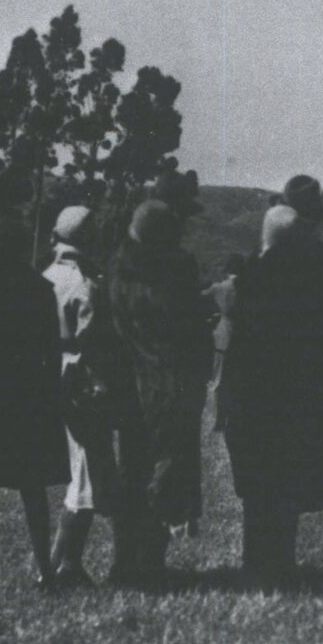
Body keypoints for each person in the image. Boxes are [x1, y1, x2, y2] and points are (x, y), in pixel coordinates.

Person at [221, 176, 323, 586]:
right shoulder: (316, 270)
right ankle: (279, 561)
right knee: (288, 480)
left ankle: (258, 562)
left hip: (253, 392)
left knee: (259, 483)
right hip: (299, 391)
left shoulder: (251, 276)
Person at [109, 190, 214, 585]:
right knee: (166, 473)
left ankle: (124, 562)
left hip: (128, 383)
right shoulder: (177, 270)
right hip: (169, 384)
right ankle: (151, 562)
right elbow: (188, 326)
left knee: (130, 471)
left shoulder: (119, 269)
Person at [0, 220, 69, 592]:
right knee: (32, 486)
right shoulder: (40, 290)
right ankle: (44, 569)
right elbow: (51, 348)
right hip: (30, 391)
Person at [43, 207, 122, 588]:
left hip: (47, 374)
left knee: (79, 469)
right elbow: (92, 340)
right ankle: (65, 564)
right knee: (86, 472)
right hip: (81, 377)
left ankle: (57, 561)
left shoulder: (45, 277)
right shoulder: (86, 284)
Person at [205, 254, 245, 429]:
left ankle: (219, 419)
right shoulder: (251, 288)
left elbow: (199, 297)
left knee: (219, 379)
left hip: (222, 337)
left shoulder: (219, 288)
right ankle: (237, 417)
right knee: (240, 379)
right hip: (244, 336)